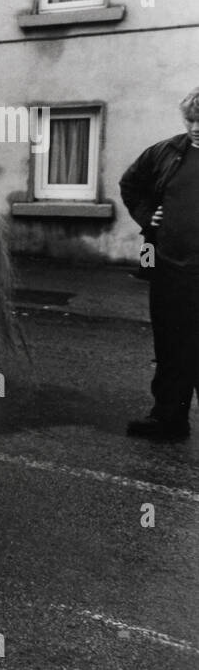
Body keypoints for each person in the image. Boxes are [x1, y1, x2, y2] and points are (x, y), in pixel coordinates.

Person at [119, 86, 199, 441]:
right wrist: (149, 215)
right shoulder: (166, 152)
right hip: (170, 269)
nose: (195, 126)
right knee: (170, 347)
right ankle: (169, 420)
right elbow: (130, 183)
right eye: (191, 119)